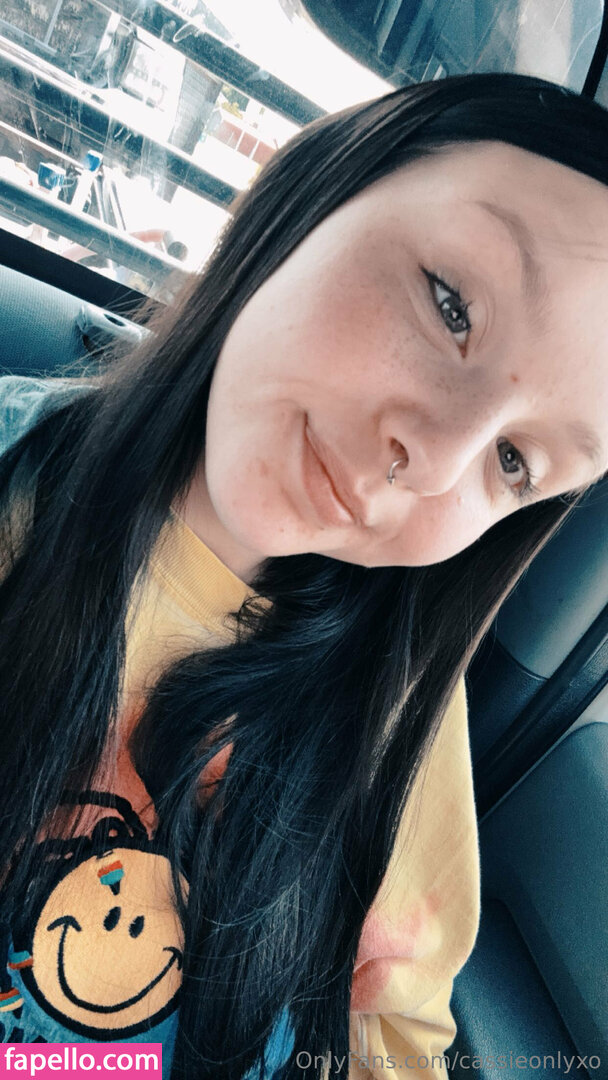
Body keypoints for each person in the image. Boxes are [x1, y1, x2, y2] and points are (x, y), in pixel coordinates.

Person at [0, 72, 607, 1079]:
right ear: (312, 188)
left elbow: (392, 1035)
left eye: (514, 462)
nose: (434, 457)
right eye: (450, 304)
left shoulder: (395, 712)